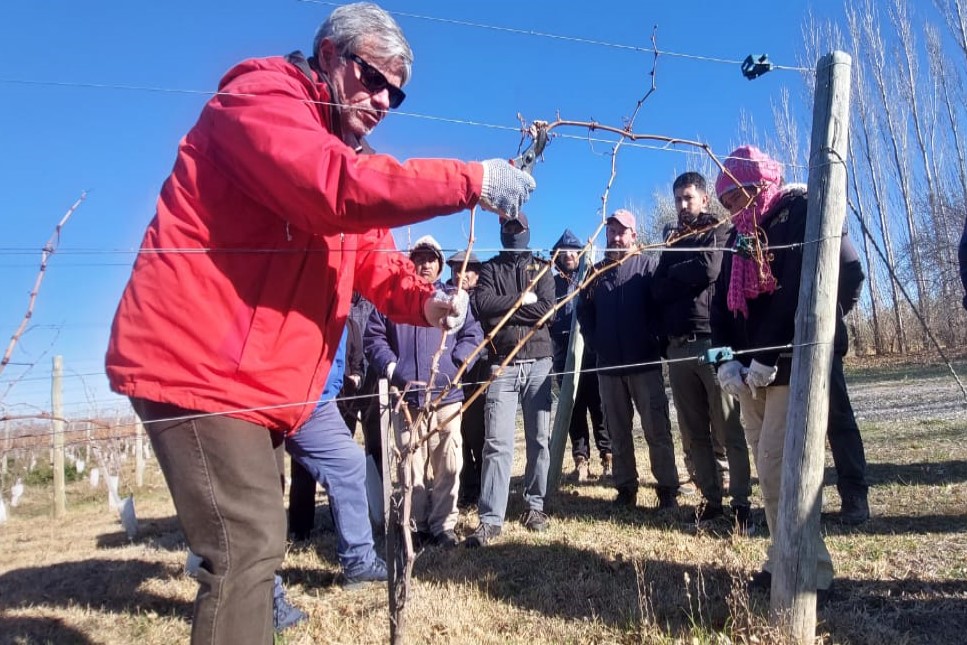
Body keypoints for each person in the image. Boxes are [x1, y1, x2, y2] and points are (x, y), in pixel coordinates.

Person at [104, 3, 536, 642]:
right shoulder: (259, 100)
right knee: (246, 542)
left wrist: (427, 302)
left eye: (398, 91)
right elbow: (333, 189)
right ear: (331, 56)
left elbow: (376, 262)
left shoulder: (342, 147)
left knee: (252, 541)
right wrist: (470, 180)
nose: (385, 99)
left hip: (261, 384)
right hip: (197, 364)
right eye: (374, 78)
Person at [710, 145, 840, 601]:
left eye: (735, 196)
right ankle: (784, 556)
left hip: (787, 364)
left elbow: (794, 293)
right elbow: (719, 307)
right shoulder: (736, 237)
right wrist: (722, 359)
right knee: (768, 472)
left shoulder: (795, 212)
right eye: (724, 201)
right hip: (746, 373)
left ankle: (809, 568)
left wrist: (767, 355)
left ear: (758, 184)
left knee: (778, 465)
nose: (730, 208)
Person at [364, 236, 483, 548]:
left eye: (432, 258)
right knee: (410, 466)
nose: (425, 263)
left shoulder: (454, 299)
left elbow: (473, 333)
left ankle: (443, 526)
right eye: (419, 257)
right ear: (409, 261)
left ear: (440, 264)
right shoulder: (392, 299)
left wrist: (458, 365)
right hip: (407, 400)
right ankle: (414, 526)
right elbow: (373, 339)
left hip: (447, 397)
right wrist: (394, 370)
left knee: (449, 463)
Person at [651, 173, 752, 529]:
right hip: (677, 348)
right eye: (678, 198)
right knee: (694, 432)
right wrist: (683, 272)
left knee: (727, 428)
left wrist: (676, 273)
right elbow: (656, 288)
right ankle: (712, 501)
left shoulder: (720, 229)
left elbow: (709, 268)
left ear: (704, 199)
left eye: (688, 198)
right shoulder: (675, 239)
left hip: (712, 342)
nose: (682, 205)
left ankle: (741, 502)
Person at [577, 209, 681, 510]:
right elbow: (584, 312)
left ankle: (667, 490)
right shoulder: (595, 272)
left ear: (634, 235)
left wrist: (655, 340)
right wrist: (597, 342)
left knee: (657, 430)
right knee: (617, 432)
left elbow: (662, 308)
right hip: (608, 367)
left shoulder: (649, 266)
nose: (615, 237)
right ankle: (625, 489)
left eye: (621, 231)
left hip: (645, 364)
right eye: (611, 231)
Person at [466, 214, 556, 546]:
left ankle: (535, 506)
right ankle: (491, 519)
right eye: (507, 227)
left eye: (517, 227)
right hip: (501, 364)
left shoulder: (543, 268)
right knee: (497, 443)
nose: (512, 232)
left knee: (539, 439)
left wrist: (508, 310)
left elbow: (548, 309)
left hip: (539, 362)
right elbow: (483, 306)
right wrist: (522, 301)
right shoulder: (489, 269)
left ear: (527, 230)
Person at [550, 229, 612, 481]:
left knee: (599, 406)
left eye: (574, 250)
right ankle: (581, 461)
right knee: (573, 409)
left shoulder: (591, 278)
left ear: (581, 253)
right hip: (563, 354)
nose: (568, 254)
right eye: (563, 251)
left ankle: (608, 459)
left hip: (591, 353)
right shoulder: (551, 284)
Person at [828, 228, 869, 524]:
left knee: (838, 419)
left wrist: (832, 309)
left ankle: (854, 494)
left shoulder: (815, 211)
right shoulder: (762, 222)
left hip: (822, 339)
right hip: (779, 344)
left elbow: (853, 272)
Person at [445, 250, 489, 509]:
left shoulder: (482, 298)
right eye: (455, 271)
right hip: (452, 373)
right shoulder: (447, 298)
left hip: (478, 370)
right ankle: (466, 487)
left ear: (477, 273)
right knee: (457, 433)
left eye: (466, 270)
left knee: (477, 431)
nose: (460, 275)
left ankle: (483, 486)